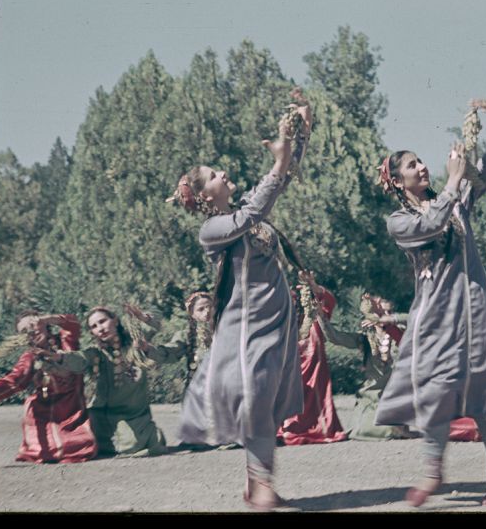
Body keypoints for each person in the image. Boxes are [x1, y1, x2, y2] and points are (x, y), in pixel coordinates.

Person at [167, 88, 312, 511]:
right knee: (255, 397)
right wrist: (278, 163)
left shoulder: (247, 204)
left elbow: (279, 180)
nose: (223, 175)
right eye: (214, 176)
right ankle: (261, 483)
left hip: (275, 321)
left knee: (264, 401)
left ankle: (257, 484)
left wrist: (299, 127)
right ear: (204, 195)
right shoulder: (213, 230)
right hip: (246, 327)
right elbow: (253, 214)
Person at [375, 98, 486, 507]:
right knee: (435, 391)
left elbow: (484, 174)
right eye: (412, 165)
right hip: (436, 318)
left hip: (476, 310)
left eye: (421, 161)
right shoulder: (400, 222)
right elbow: (430, 224)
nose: (422, 167)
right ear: (398, 182)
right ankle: (433, 471)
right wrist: (453, 183)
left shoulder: (455, 203)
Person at [36, 305, 168, 458]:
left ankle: (146, 435)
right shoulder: (96, 353)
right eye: (94, 326)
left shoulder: (136, 342)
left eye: (102, 321)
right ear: (92, 332)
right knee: (80, 441)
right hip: (102, 415)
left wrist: (143, 317)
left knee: (133, 444)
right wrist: (59, 357)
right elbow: (80, 359)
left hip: (134, 414)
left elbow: (156, 320)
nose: (100, 328)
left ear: (115, 320)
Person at [0, 311, 97, 463]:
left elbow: (72, 324)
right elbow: (15, 379)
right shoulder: (30, 356)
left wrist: (46, 319)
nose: (31, 331)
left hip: (72, 408)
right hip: (43, 410)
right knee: (45, 451)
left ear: (45, 325)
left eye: (33, 325)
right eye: (25, 331)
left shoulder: (66, 342)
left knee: (77, 445)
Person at [134, 292, 237, 450]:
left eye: (210, 307)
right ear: (192, 314)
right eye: (201, 309)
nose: (207, 312)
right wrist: (147, 348)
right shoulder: (188, 336)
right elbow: (170, 352)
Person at [315, 293, 417, 441]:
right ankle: (392, 428)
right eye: (381, 312)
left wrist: (391, 320)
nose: (384, 315)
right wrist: (320, 316)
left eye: (389, 312)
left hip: (398, 395)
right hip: (372, 396)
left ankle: (398, 427)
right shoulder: (364, 338)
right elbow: (335, 337)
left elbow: (418, 319)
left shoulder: (401, 333)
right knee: (360, 431)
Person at [276, 270, 348, 445]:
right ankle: (288, 430)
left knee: (319, 406)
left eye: (295, 302)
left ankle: (322, 430)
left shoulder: (315, 319)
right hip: (290, 377)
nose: (292, 306)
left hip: (316, 374)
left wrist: (313, 285)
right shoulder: (279, 326)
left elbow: (329, 301)